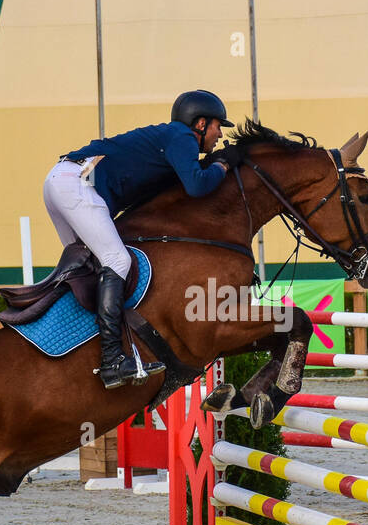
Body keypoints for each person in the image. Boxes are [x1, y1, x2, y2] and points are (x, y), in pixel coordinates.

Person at [44, 89, 234, 389]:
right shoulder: (182, 137)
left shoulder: (172, 142)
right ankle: (112, 362)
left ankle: (71, 346)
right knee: (117, 261)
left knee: (88, 269)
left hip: (62, 180)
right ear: (200, 124)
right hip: (76, 184)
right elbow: (197, 187)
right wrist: (222, 166)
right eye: (218, 126)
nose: (220, 135)